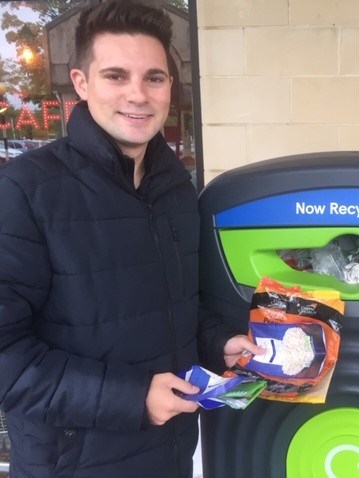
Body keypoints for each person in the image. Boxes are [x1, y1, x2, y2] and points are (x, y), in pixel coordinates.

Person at [0, 1, 261, 477]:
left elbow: (172, 306)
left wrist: (218, 342)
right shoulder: (25, 191)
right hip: (74, 465)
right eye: (116, 76)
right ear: (81, 83)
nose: (138, 95)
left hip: (172, 455)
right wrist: (132, 396)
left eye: (154, 78)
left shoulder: (176, 188)